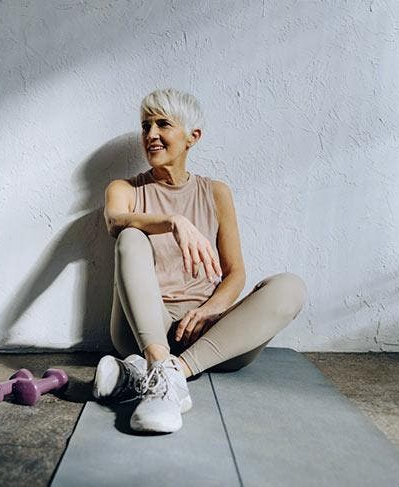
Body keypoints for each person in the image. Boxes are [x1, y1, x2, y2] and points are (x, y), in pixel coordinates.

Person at [92, 88, 307, 434]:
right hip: (145, 330)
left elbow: (236, 273)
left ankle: (156, 374)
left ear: (193, 137)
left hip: (210, 339)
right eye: (145, 126)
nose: (151, 135)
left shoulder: (216, 192)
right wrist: (173, 221)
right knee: (131, 234)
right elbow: (115, 221)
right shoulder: (126, 189)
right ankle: (159, 364)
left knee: (291, 287)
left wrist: (210, 310)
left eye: (163, 124)